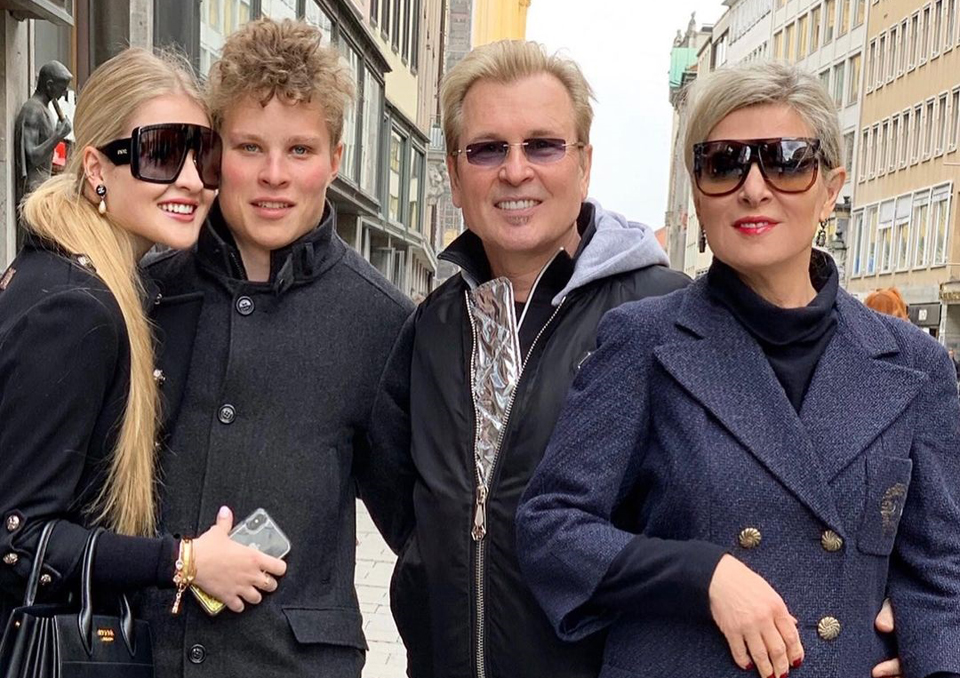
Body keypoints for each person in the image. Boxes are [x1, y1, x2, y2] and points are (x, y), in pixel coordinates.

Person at [516, 61, 960, 678]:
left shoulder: (915, 365)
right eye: (724, 163)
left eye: (786, 161)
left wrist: (934, 662)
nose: (753, 187)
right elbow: (551, 528)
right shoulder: (644, 341)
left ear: (830, 188)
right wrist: (704, 575)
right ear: (699, 192)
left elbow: (941, 570)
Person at [384, 40, 688, 678]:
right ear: (455, 174)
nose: (515, 170)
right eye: (488, 149)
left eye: (543, 146)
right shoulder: (432, 326)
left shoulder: (668, 316)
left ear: (584, 164)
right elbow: (398, 488)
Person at [141, 19, 413, 678]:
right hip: (144, 655)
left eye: (299, 150)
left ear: (335, 159)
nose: (273, 175)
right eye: (249, 147)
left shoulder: (381, 321)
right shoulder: (148, 293)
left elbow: (419, 528)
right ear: (215, 152)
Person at [0, 48, 285, 632]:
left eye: (203, 155)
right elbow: (17, 540)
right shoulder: (77, 309)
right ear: (96, 167)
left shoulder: (73, 276)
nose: (191, 180)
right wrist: (184, 562)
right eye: (161, 153)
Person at [14, 60, 74, 248]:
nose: (64, 92)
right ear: (49, 85)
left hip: (44, 183)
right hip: (34, 186)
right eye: (62, 87)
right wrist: (58, 136)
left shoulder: (45, 110)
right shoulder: (32, 110)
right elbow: (32, 156)